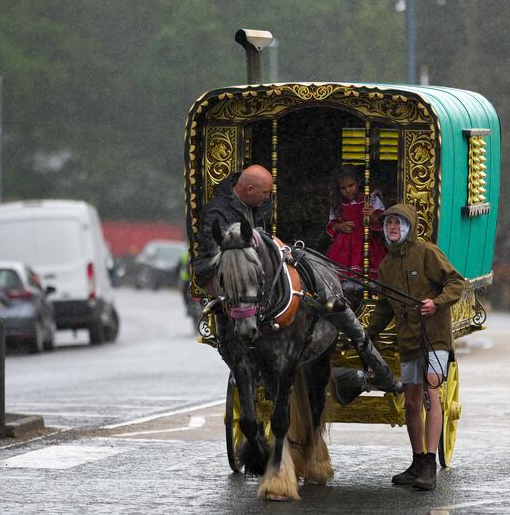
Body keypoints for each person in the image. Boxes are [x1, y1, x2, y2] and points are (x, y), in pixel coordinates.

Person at [194, 164, 399, 393]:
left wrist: (278, 250)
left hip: (257, 265)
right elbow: (226, 254)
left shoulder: (253, 201)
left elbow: (262, 236)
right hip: (220, 269)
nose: (267, 198)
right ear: (249, 189)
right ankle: (234, 353)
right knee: (237, 294)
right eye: (264, 194)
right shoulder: (218, 212)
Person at [365, 204, 465, 491]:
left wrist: (437, 302)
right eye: (388, 224)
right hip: (408, 340)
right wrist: (366, 334)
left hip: (434, 338)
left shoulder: (427, 252)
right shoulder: (386, 266)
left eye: (397, 223)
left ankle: (430, 463)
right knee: (410, 401)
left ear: (408, 227)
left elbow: (455, 282)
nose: (392, 228)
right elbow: (384, 306)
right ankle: (417, 460)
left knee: (431, 395)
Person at [325, 167, 387, 279]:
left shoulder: (371, 199)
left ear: (358, 182)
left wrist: (371, 215)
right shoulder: (338, 203)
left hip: (367, 243)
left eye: (351, 185)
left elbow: (383, 222)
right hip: (344, 247)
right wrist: (340, 226)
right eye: (343, 188)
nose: (348, 190)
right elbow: (332, 224)